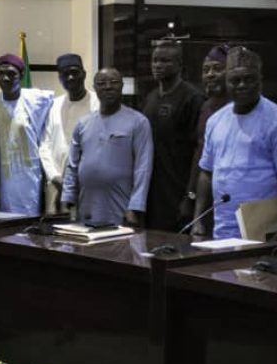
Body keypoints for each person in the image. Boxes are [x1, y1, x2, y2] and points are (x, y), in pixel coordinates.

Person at [194, 47, 277, 240]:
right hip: (223, 229)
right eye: (235, 80)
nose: (242, 85)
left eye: (249, 79)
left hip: (264, 230)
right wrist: (198, 219)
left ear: (260, 80)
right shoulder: (216, 120)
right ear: (227, 82)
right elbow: (206, 173)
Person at [61, 68, 152, 227]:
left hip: (121, 207)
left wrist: (135, 207)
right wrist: (67, 198)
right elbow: (72, 165)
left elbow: (143, 168)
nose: (108, 87)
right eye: (101, 83)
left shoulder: (138, 122)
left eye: (114, 82)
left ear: (122, 86)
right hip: (86, 205)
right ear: (95, 88)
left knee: (119, 249)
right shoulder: (83, 123)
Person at [0, 53, 53, 216]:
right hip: (1, 179)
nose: (5, 78)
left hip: (29, 178)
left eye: (11, 73)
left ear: (22, 75)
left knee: (28, 226)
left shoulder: (37, 100)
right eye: (1, 73)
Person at [142, 39, 204, 232]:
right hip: (153, 192)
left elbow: (199, 150)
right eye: (155, 60)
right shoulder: (150, 98)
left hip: (179, 191)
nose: (158, 65)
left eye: (165, 61)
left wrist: (190, 195)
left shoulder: (192, 98)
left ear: (179, 65)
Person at [39, 53, 100, 215]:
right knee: (55, 233)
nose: (71, 77)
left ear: (84, 74)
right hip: (55, 182)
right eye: (65, 74)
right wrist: (55, 176)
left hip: (86, 183)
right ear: (60, 78)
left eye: (75, 72)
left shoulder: (98, 104)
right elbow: (44, 145)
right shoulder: (54, 105)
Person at [186, 44, 231, 230]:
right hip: (208, 200)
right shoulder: (206, 108)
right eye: (206, 70)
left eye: (217, 69)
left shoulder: (242, 108)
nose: (210, 74)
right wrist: (191, 195)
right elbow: (201, 156)